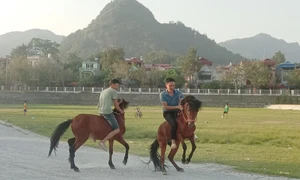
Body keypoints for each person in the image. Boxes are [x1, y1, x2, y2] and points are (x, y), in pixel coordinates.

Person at [98, 79, 124, 151]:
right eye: (117, 85)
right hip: (107, 112)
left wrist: (118, 104)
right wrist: (121, 111)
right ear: (112, 84)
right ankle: (103, 142)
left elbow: (108, 103)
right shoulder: (114, 91)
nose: (118, 87)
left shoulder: (104, 91)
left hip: (100, 111)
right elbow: (116, 106)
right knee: (117, 129)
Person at [159, 78, 184, 149]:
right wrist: (177, 106)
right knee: (173, 124)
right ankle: (173, 141)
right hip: (167, 112)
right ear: (166, 85)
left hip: (177, 111)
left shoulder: (179, 93)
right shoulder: (162, 94)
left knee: (186, 119)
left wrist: (181, 103)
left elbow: (182, 102)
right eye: (170, 86)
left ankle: (192, 134)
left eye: (173, 85)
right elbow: (166, 107)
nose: (172, 87)